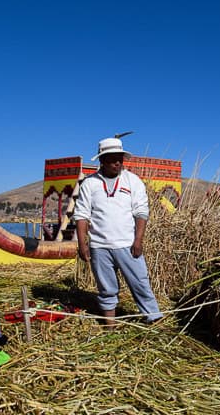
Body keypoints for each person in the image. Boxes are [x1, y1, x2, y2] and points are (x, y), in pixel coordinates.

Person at [74, 137, 162, 326]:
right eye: (112, 159)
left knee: (140, 282)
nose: (117, 163)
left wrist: (138, 241)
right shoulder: (90, 184)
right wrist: (83, 244)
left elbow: (141, 212)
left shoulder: (132, 181)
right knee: (106, 288)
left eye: (120, 159)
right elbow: (81, 215)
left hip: (127, 245)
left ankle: (153, 320)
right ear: (102, 160)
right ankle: (110, 328)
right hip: (100, 246)